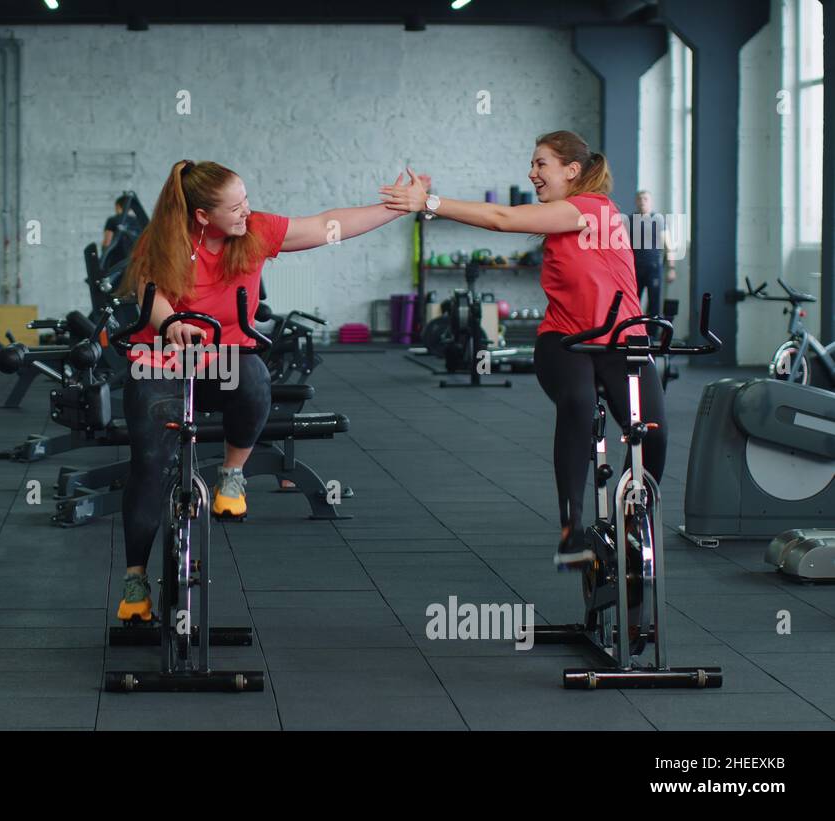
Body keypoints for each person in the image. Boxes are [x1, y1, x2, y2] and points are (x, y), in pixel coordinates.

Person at [115, 159, 411, 622]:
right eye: (235, 206)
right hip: (164, 358)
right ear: (201, 216)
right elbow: (151, 294)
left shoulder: (256, 232)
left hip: (225, 360)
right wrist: (169, 323)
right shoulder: (163, 240)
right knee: (149, 463)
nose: (245, 212)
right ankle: (135, 580)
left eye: (246, 200)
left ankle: (232, 475)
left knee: (253, 377)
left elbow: (326, 225)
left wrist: (394, 210)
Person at [380, 131, 665, 567]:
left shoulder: (593, 207)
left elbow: (502, 218)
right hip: (565, 341)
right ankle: (572, 531)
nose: (532, 173)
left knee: (652, 432)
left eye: (540, 164)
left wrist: (430, 202)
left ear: (572, 171)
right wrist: (429, 202)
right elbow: (503, 218)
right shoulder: (565, 214)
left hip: (622, 339)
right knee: (579, 403)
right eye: (532, 165)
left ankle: (633, 521)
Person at [631, 189, 677, 315]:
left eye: (645, 199)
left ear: (651, 202)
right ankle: (635, 332)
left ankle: (652, 334)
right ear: (636, 201)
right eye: (640, 199)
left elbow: (668, 245)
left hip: (654, 269)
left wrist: (671, 268)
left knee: (654, 304)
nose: (642, 202)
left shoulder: (658, 220)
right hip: (635, 269)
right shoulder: (630, 221)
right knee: (633, 303)